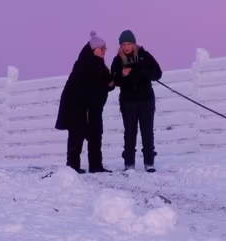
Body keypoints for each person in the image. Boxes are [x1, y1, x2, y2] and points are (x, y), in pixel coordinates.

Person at [54, 31, 113, 173]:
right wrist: (104, 86)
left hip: (93, 107)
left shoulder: (100, 64)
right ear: (94, 49)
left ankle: (96, 165)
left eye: (105, 49)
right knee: (77, 135)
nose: (104, 51)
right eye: (102, 49)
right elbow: (82, 86)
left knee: (95, 134)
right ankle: (73, 166)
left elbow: (102, 84)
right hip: (79, 107)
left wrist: (110, 84)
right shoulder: (84, 64)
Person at [110, 29, 163, 172]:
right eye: (124, 44)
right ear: (120, 46)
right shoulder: (117, 60)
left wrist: (144, 72)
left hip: (146, 99)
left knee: (147, 131)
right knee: (130, 132)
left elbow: (158, 73)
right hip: (128, 101)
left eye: (129, 44)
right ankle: (129, 163)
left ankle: (149, 162)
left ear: (134, 44)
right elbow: (113, 81)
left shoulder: (144, 56)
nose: (126, 47)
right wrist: (121, 74)